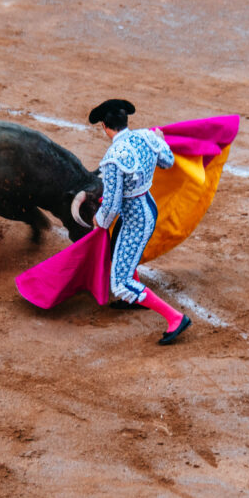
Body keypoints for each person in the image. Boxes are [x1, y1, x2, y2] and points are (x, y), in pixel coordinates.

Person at [89, 99, 191, 345]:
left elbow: (111, 206)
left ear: (104, 126)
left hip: (136, 220)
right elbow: (168, 162)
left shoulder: (113, 157)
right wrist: (160, 139)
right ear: (126, 121)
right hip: (146, 208)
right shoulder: (147, 137)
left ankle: (175, 318)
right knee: (120, 245)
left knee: (121, 284)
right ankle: (130, 300)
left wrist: (98, 221)